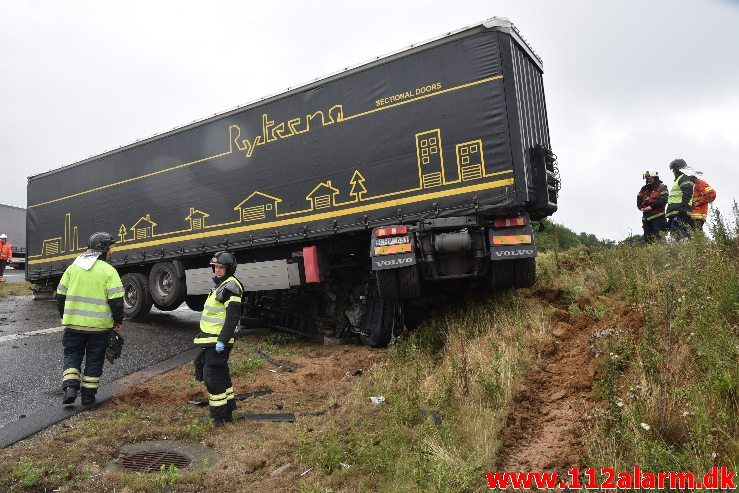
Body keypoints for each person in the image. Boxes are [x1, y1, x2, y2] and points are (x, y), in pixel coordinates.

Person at [56, 232, 124, 405]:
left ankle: (71, 387)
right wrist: (118, 321)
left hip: (73, 326)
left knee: (72, 356)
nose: (111, 252)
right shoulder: (109, 270)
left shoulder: (73, 268)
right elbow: (116, 302)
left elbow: (60, 295)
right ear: (103, 249)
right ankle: (88, 396)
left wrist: (65, 315)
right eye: (110, 248)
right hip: (99, 328)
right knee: (95, 359)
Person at [193, 251, 243, 426]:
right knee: (221, 374)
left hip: (218, 341)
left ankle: (218, 417)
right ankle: (228, 411)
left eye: (221, 267)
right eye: (215, 267)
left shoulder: (231, 287)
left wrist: (222, 340)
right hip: (212, 339)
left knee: (212, 377)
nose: (217, 270)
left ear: (229, 269)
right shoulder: (222, 285)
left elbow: (232, 318)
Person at [665, 159, 696, 239]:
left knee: (679, 236)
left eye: (674, 170)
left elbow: (687, 193)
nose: (673, 172)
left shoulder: (685, 177)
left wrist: (682, 209)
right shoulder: (680, 178)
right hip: (677, 212)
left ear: (678, 169)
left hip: (680, 212)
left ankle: (684, 251)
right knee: (677, 235)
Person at [636, 171, 668, 243]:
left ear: (655, 178)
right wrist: (641, 208)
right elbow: (638, 200)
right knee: (648, 241)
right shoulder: (644, 189)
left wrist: (651, 206)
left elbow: (664, 200)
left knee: (660, 239)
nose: (649, 180)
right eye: (647, 179)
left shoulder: (662, 187)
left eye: (651, 178)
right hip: (646, 219)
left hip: (658, 218)